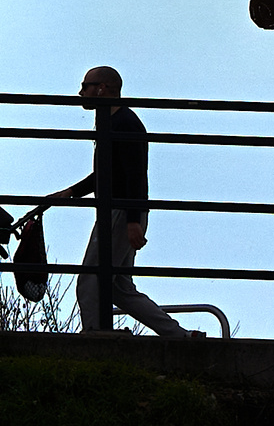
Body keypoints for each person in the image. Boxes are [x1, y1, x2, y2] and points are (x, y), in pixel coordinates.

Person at [51, 66, 191, 336]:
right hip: (122, 212)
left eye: (86, 86)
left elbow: (134, 175)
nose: (81, 92)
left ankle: (95, 335)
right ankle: (180, 336)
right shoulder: (112, 122)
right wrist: (71, 192)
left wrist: (132, 220)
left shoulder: (125, 123)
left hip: (120, 212)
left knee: (91, 279)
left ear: (103, 87)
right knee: (119, 288)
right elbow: (108, 172)